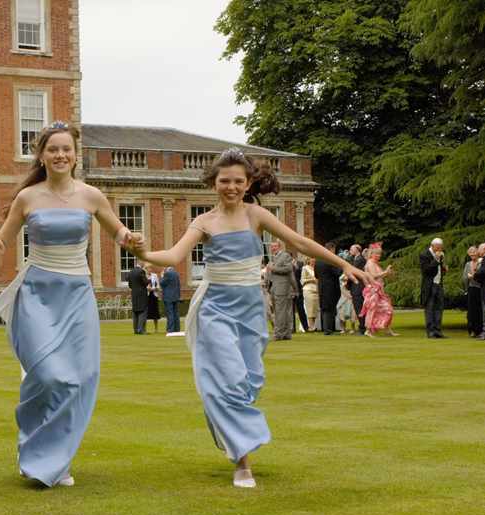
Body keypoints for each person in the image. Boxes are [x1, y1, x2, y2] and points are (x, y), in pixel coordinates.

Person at [133, 148, 370, 488]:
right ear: (213, 183)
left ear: (248, 184)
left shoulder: (255, 215)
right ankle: (243, 463)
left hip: (250, 308)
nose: (231, 187)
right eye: (224, 181)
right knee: (228, 378)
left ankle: (227, 427)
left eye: (237, 181)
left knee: (247, 383)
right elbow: (173, 255)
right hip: (215, 308)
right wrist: (141, 252)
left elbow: (299, 241)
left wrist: (344, 263)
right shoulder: (203, 222)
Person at [0, 121, 143, 488]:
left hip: (77, 293)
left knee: (78, 378)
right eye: (53, 149)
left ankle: (55, 458)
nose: (60, 155)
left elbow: (119, 233)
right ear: (41, 155)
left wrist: (131, 237)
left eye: (66, 149)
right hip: (37, 292)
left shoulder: (91, 196)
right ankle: (36, 448)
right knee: (49, 375)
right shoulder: (28, 197)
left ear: (74, 154)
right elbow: (2, 243)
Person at [361, 243, 398, 337]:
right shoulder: (370, 263)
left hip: (379, 290)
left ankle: (387, 329)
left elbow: (379, 276)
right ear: (371, 254)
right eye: (377, 254)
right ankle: (368, 330)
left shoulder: (374, 263)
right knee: (372, 310)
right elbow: (373, 276)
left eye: (379, 254)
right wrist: (385, 272)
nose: (379, 256)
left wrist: (387, 272)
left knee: (387, 309)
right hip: (373, 290)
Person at [266, 241, 297, 340]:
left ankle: (278, 334)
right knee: (282, 312)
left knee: (280, 312)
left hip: (283, 288)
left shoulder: (285, 255)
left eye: (275, 246)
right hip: (275, 288)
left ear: (279, 247)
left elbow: (288, 268)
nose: (273, 248)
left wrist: (273, 268)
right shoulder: (274, 257)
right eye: (271, 247)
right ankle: (286, 334)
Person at [419, 238, 448, 338]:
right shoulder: (424, 254)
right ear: (433, 245)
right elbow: (426, 271)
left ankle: (438, 331)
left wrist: (444, 269)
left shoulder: (440, 254)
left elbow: (438, 270)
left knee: (439, 308)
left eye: (441, 247)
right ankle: (430, 331)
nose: (440, 249)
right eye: (438, 247)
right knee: (430, 308)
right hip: (429, 286)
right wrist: (436, 259)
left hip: (439, 284)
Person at [315, 242, 342, 335]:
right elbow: (338, 273)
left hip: (321, 286)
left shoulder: (318, 260)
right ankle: (328, 329)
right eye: (334, 249)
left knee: (324, 307)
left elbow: (316, 275)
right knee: (329, 308)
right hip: (331, 287)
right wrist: (341, 266)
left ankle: (325, 328)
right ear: (331, 249)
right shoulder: (330, 260)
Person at [347, 244, 367, 335]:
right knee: (357, 308)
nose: (350, 250)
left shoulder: (360, 260)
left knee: (359, 308)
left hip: (358, 287)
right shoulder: (355, 259)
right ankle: (362, 326)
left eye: (352, 249)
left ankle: (362, 328)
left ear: (357, 250)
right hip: (354, 287)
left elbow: (352, 271)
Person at [463, 246, 482, 338]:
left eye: (474, 252)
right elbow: (464, 278)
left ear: (477, 252)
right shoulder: (467, 264)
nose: (472, 254)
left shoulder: (481, 262)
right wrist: (466, 289)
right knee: (471, 311)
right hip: (471, 289)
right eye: (470, 252)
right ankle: (472, 330)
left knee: (480, 310)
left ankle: (480, 330)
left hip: (481, 288)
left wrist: (474, 276)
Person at [128, 262, 149, 334]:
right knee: (142, 311)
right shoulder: (141, 271)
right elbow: (145, 282)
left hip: (134, 294)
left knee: (135, 312)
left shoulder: (131, 271)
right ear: (142, 264)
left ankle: (135, 330)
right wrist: (149, 279)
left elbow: (129, 282)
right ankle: (141, 330)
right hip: (142, 294)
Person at [160, 265, 182, 334]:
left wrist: (162, 276)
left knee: (170, 313)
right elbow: (179, 285)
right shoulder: (176, 274)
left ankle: (170, 329)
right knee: (176, 313)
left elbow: (162, 283)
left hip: (168, 296)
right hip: (176, 296)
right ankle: (177, 328)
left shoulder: (167, 274)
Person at [301, 257, 319, 331]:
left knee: (315, 308)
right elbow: (302, 280)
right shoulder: (305, 268)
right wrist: (312, 279)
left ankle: (313, 325)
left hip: (317, 290)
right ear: (308, 260)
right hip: (308, 289)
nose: (313, 260)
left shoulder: (317, 268)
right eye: (312, 258)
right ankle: (310, 326)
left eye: (314, 258)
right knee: (310, 308)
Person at [294, 255, 309, 333]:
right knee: (291, 311)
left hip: (298, 290)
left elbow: (299, 278)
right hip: (290, 290)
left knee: (301, 310)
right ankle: (292, 328)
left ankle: (306, 327)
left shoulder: (299, 264)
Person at [146, 265, 162, 333]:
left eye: (150, 268)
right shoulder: (144, 276)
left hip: (154, 295)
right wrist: (148, 288)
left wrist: (156, 288)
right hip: (147, 296)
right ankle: (144, 328)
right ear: (146, 269)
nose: (149, 270)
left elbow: (158, 285)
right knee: (146, 312)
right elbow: (143, 286)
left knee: (155, 313)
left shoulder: (154, 275)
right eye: (148, 269)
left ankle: (156, 329)